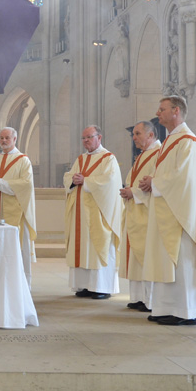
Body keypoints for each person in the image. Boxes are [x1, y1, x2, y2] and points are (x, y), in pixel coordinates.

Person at [141, 96, 196, 326]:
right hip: (166, 208)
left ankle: (185, 311)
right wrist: (153, 181)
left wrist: (155, 182)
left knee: (182, 261)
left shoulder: (188, 141)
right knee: (166, 260)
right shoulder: (171, 141)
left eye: (162, 109)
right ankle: (167, 307)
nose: (158, 113)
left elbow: (184, 178)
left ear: (176, 111)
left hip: (181, 214)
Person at [63, 125, 123, 300]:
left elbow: (110, 182)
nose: (86, 141)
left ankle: (101, 287)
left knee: (98, 247)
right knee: (81, 248)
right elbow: (69, 176)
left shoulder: (108, 158)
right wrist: (73, 180)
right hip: (80, 213)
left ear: (99, 137)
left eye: (89, 137)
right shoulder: (80, 159)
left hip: (98, 213)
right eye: (83, 138)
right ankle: (84, 285)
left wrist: (86, 181)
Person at [119, 121, 161, 313]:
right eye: (133, 134)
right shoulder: (144, 155)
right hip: (136, 211)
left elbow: (152, 184)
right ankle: (138, 297)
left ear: (150, 135)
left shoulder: (159, 154)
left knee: (146, 255)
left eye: (137, 133)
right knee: (135, 256)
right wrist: (129, 190)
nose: (134, 137)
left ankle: (149, 299)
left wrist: (133, 192)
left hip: (147, 213)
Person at [0, 127, 36, 287]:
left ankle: (22, 284)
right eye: (2, 138)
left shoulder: (23, 160)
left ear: (15, 139)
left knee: (20, 247)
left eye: (7, 138)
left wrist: (1, 183)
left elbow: (26, 185)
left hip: (17, 212)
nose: (3, 141)